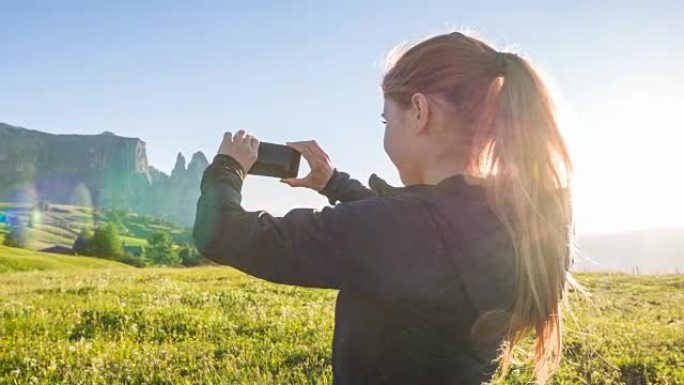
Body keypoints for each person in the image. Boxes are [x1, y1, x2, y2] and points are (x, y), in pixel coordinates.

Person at [193, 30, 576, 385]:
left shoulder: (397, 229)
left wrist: (228, 166)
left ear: (420, 112)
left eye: (385, 118)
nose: (386, 130)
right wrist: (333, 183)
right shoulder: (521, 214)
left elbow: (223, 233)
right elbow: (416, 232)